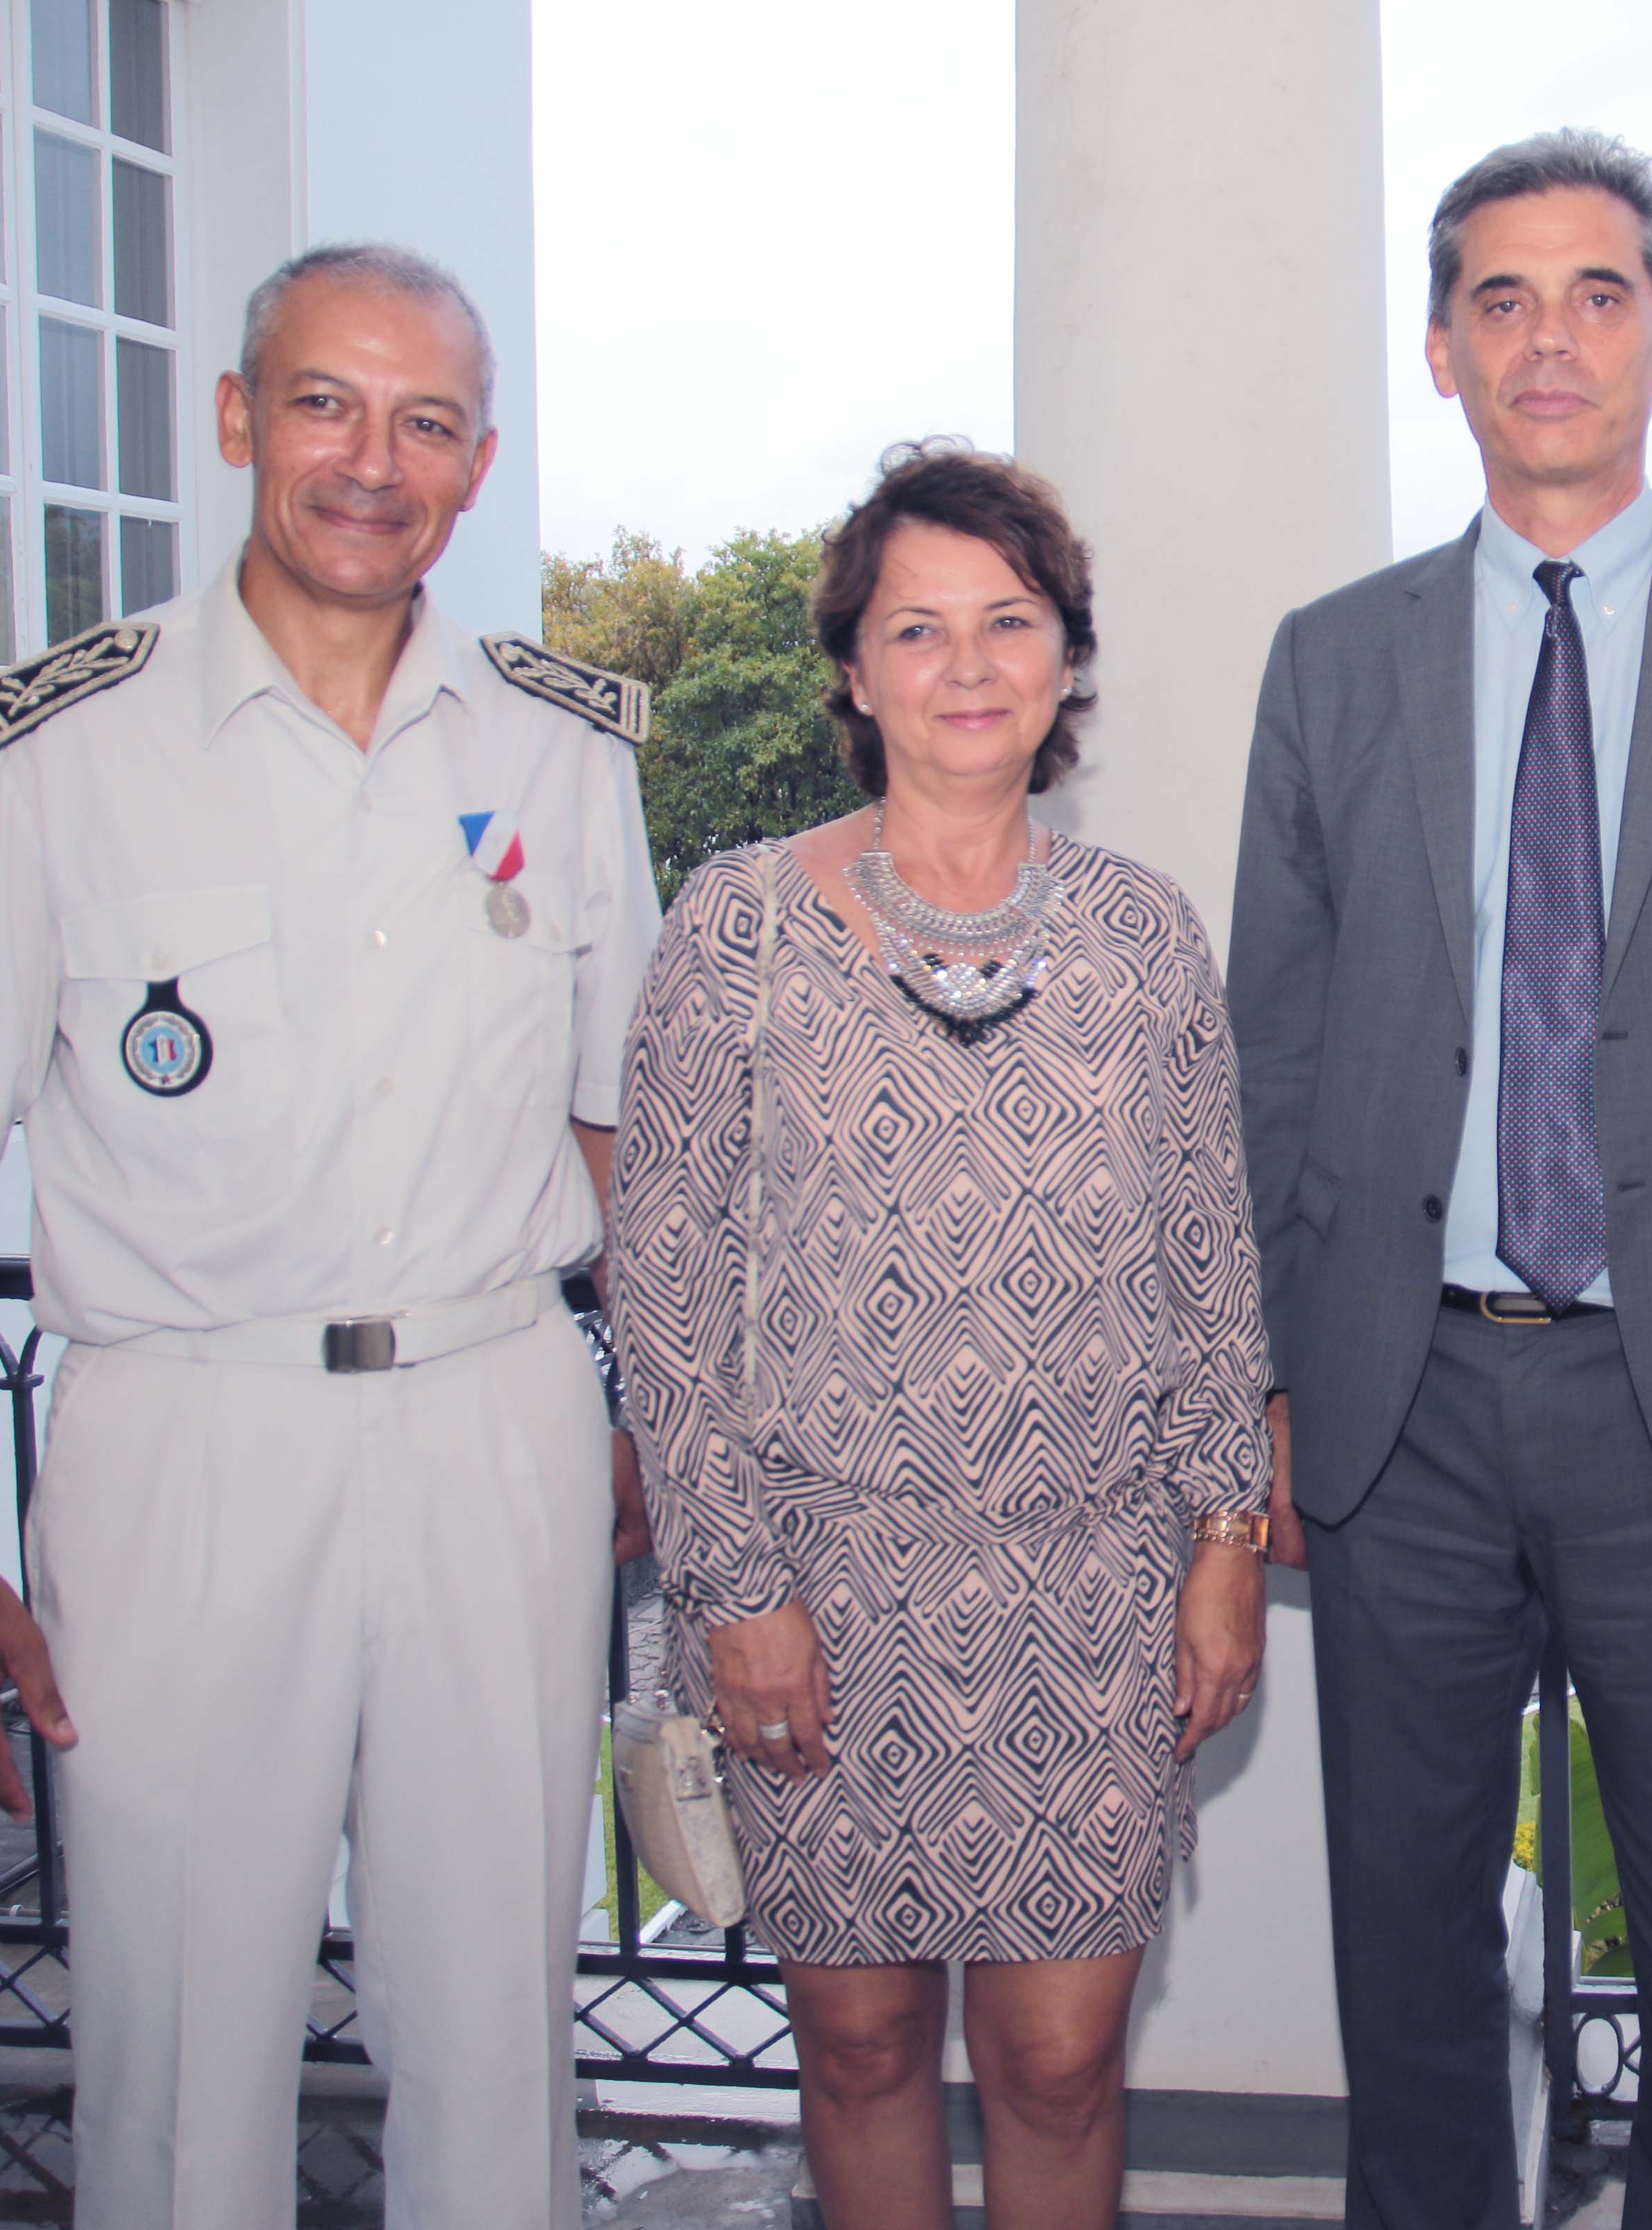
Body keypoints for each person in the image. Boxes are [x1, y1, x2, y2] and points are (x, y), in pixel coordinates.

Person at [0, 242, 662, 2229]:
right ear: (241, 418)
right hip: (185, 1439)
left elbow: (623, 1133)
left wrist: (653, 1425)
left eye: (427, 422)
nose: (373, 462)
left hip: (495, 1424)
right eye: (328, 404)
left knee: (501, 2043)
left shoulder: (559, 751)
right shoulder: (50, 749)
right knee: (178, 2051)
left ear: (479, 462)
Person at [1230, 130, 1652, 2230]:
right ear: (1440, 349)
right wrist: (1263, 1380)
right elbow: (1270, 1045)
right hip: (1398, 1397)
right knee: (1407, 1943)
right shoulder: (1332, 658)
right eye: (1501, 299)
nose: (1550, 339)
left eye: (1599, 293)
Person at [612, 440, 1274, 2230]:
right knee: (859, 2049)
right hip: (816, 1597)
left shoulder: (1146, 936)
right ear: (852, 670)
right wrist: (735, 1594)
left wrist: (1226, 1547)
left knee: (1061, 2061)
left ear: (1066, 658)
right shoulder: (736, 927)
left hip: (1092, 1594)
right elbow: (664, 1291)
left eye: (1010, 620)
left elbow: (1213, 1268)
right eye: (918, 628)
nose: (968, 665)